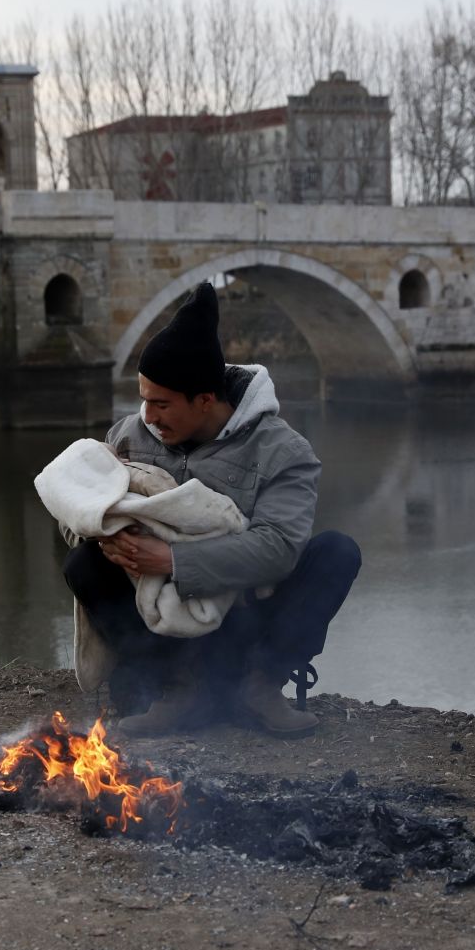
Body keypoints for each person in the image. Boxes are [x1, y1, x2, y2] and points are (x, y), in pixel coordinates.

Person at [62, 282, 362, 739]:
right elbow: (75, 507)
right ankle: (173, 688)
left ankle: (259, 685)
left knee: (337, 552)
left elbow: (278, 548)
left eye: (161, 404)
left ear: (205, 400)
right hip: (158, 619)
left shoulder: (282, 449)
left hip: (241, 617)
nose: (148, 415)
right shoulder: (128, 434)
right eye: (144, 398)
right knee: (83, 561)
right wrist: (106, 533)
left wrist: (173, 561)